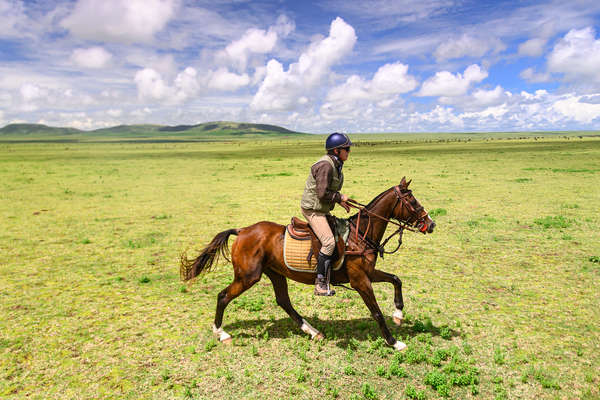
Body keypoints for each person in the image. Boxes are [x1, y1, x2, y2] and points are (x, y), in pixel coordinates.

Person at [301, 132, 352, 296]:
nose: (349, 152)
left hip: (322, 209)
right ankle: (320, 283)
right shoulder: (326, 165)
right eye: (347, 149)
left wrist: (340, 201)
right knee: (329, 242)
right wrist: (339, 197)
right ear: (337, 151)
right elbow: (322, 193)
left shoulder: (336, 164)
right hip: (313, 210)